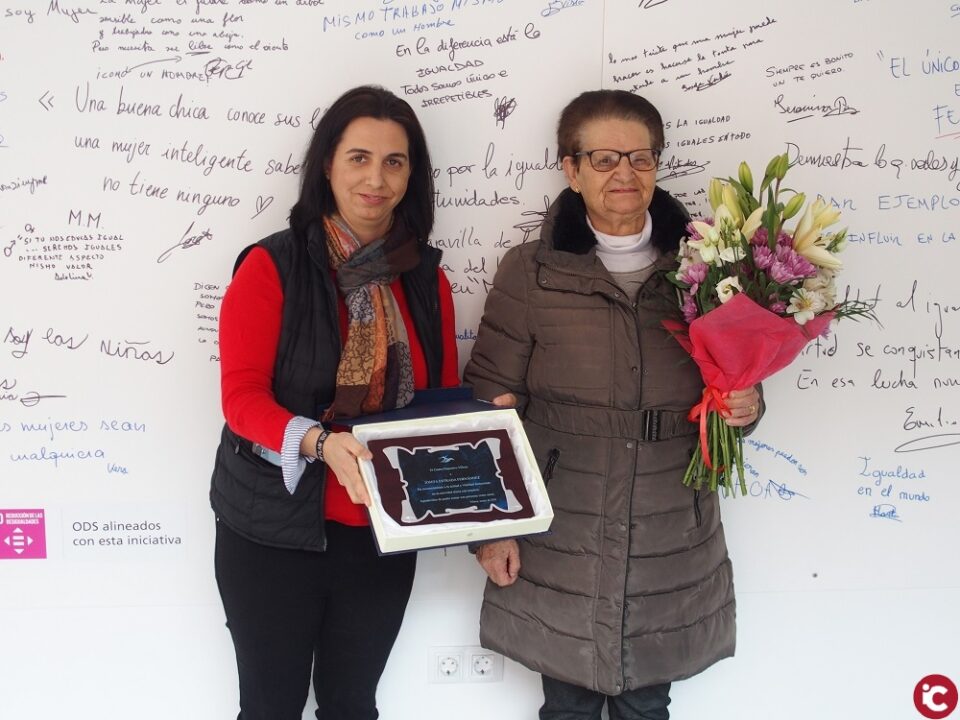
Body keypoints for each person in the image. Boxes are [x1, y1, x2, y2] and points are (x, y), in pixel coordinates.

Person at [463, 89, 762, 720]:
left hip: (669, 520)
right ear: (570, 169)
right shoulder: (529, 271)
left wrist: (747, 405)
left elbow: (735, 382)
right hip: (561, 523)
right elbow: (487, 404)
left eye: (640, 157)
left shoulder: (710, 268)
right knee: (566, 701)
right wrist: (490, 533)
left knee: (648, 700)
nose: (624, 173)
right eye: (603, 159)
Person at [209, 85, 460, 720]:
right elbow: (241, 400)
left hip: (379, 531)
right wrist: (319, 441)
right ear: (328, 164)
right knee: (270, 709)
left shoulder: (427, 279)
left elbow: (436, 405)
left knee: (352, 706)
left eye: (395, 162)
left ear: (412, 175)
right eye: (358, 158)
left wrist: (483, 419)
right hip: (273, 532)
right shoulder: (272, 267)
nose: (376, 178)